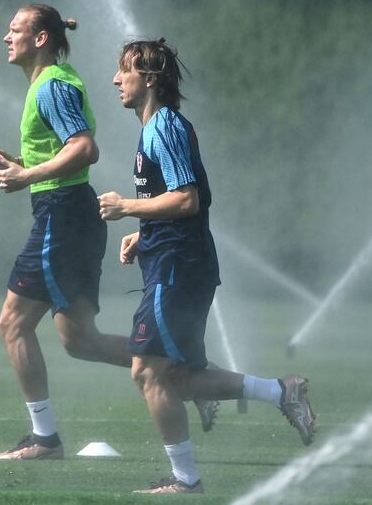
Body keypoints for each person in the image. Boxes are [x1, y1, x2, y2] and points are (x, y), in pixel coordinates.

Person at [0, 5, 218, 462]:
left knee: (12, 322)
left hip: (62, 216)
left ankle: (45, 439)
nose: (5, 37)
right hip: (66, 214)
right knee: (80, 341)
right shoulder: (50, 82)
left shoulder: (51, 84)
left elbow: (84, 149)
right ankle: (184, 378)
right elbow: (66, 152)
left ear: (41, 39)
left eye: (15, 30)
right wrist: (21, 166)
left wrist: (27, 178)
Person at [99, 38, 316, 494]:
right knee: (178, 376)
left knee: (147, 371)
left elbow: (187, 198)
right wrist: (144, 233)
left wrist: (127, 206)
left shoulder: (164, 126)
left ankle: (185, 479)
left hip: (180, 266)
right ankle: (282, 392)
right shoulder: (156, 127)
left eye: (125, 71)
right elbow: (185, 202)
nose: (117, 79)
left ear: (151, 79)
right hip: (174, 257)